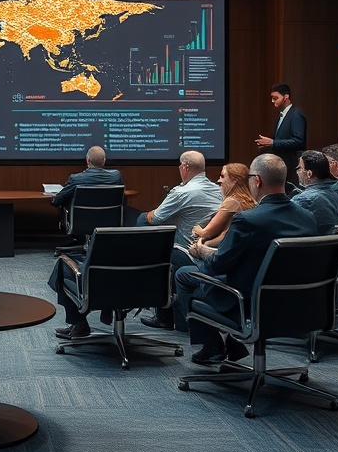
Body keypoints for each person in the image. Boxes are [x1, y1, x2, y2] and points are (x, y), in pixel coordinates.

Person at [174, 153, 319, 365]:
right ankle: (231, 342)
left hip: (249, 303)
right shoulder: (308, 218)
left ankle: (213, 345)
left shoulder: (248, 220)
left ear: (257, 181)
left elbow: (218, 266)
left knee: (184, 275)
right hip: (300, 304)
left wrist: (203, 251)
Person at [140, 162, 256, 332]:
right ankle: (170, 316)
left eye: (222, 176)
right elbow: (225, 235)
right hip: (234, 266)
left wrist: (200, 244)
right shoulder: (248, 203)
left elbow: (205, 233)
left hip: (219, 264)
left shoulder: (231, 201)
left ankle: (172, 319)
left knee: (166, 250)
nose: (218, 181)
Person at [135, 150, 222, 245]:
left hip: (187, 247)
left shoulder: (181, 192)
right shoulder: (219, 190)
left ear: (185, 167)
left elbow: (156, 219)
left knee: (143, 218)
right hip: (212, 245)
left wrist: (150, 214)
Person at [255, 83, 307, 185]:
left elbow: (299, 141)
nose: (272, 101)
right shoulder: (282, 115)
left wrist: (273, 143)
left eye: (275, 98)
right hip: (282, 165)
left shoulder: (296, 115)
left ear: (286, 97)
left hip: (290, 166)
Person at [51, 145, 123, 209]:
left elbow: (57, 201)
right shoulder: (116, 176)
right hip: (110, 219)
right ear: (104, 161)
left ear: (88, 160)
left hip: (80, 219)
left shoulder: (76, 179)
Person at [292, 150, 338, 234]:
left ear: (309, 173)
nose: (298, 172)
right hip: (331, 241)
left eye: (300, 168)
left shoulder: (303, 199)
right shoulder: (335, 195)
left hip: (311, 241)